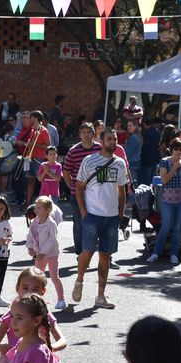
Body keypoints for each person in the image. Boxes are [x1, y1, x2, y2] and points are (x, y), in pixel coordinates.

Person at [72, 130, 128, 310]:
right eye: (109, 139)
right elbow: (79, 188)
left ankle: (101, 295)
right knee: (87, 252)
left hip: (111, 217)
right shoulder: (89, 161)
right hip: (92, 215)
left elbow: (122, 191)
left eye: (115, 139)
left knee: (105, 255)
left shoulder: (120, 163)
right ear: (101, 141)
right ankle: (79, 281)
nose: (113, 142)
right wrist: (84, 213)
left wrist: (120, 214)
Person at [148, 139, 181, 265]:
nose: (178, 152)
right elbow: (164, 180)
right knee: (166, 226)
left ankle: (174, 254)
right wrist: (174, 168)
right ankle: (156, 253)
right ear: (171, 150)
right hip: (167, 200)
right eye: (176, 149)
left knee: (178, 228)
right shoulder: (164, 162)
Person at [62, 122, 101, 256]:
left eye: (89, 132)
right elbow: (66, 172)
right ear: (80, 134)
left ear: (93, 134)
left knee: (95, 221)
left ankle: (90, 248)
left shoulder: (99, 149)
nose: (86, 135)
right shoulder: (73, 151)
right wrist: (72, 186)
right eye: (84, 132)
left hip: (96, 193)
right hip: (77, 193)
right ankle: (80, 252)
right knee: (79, 223)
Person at [26, 196, 66, 310]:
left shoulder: (51, 223)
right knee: (37, 277)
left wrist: (43, 252)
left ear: (48, 210)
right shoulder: (35, 222)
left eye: (39, 208)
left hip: (51, 254)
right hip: (39, 255)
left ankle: (61, 299)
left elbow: (52, 240)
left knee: (54, 277)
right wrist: (30, 247)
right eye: (36, 208)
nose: (36, 210)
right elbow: (30, 235)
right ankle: (38, 299)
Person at [139, 117, 161, 186]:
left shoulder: (146, 133)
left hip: (146, 160)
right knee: (153, 178)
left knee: (146, 180)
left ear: (145, 124)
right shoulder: (157, 132)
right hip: (155, 158)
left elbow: (145, 147)